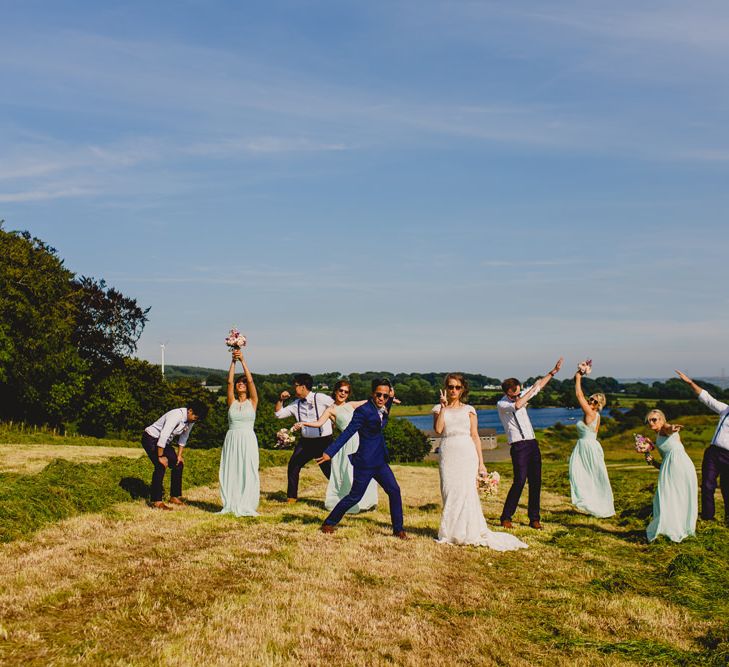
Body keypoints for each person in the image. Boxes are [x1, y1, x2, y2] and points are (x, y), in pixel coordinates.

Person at [433, 374, 528, 550]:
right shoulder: (439, 409)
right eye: (450, 387)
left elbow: (475, 436)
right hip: (448, 451)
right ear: (446, 388)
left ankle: (468, 531)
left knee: (467, 492)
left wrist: (481, 463)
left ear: (462, 389)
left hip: (467, 452)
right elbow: (438, 430)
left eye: (457, 387)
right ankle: (450, 532)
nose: (453, 390)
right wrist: (444, 408)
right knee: (449, 491)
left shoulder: (469, 409)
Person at [316, 378, 406, 539]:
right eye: (379, 395)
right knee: (354, 496)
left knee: (394, 490)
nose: (381, 398)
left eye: (385, 396)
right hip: (364, 462)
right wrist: (330, 452)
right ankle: (329, 523)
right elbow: (348, 432)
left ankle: (398, 530)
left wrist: (391, 399)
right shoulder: (363, 411)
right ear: (372, 394)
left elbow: (385, 412)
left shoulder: (383, 406)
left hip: (380, 461)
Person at [498, 357, 563, 530]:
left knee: (536, 481)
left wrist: (552, 372)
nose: (518, 395)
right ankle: (506, 517)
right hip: (519, 446)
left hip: (532, 444)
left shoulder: (520, 395)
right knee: (519, 481)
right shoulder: (503, 404)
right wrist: (528, 393)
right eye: (515, 394)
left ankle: (534, 518)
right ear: (507, 393)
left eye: (519, 392)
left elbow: (539, 385)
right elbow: (518, 404)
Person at [294, 379, 378, 513]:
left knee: (363, 470)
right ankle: (348, 502)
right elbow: (318, 423)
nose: (343, 393)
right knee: (347, 472)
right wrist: (303, 423)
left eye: (346, 392)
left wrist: (389, 399)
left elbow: (373, 401)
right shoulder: (331, 409)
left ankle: (366, 501)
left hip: (360, 441)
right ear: (336, 391)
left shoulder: (351, 405)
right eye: (341, 391)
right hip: (346, 442)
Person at [675, 370, 729, 523]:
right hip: (714, 453)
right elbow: (707, 398)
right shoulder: (725, 410)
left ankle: (728, 519)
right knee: (707, 485)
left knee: (727, 489)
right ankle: (707, 517)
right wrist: (690, 383)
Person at [275, 374, 334, 502]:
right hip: (305, 442)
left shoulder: (321, 398)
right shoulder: (296, 404)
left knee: (329, 471)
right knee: (293, 466)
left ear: (302, 387)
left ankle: (342, 495)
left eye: (295, 385)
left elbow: (337, 407)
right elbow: (278, 415)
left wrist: (334, 421)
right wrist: (280, 400)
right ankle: (291, 498)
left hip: (323, 442)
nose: (293, 388)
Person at [141, 399, 209, 510]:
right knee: (161, 465)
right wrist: (160, 456)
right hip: (150, 438)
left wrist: (179, 455)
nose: (195, 421)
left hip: (164, 442)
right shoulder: (176, 415)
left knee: (178, 464)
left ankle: (174, 496)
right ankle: (156, 501)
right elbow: (163, 435)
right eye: (195, 418)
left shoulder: (190, 420)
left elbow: (184, 437)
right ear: (190, 411)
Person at [643, 409, 698, 542]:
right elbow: (664, 464)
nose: (651, 422)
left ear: (662, 420)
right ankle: (672, 528)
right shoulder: (657, 437)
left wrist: (672, 428)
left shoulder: (664, 429)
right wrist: (652, 460)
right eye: (649, 420)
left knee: (671, 496)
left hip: (679, 465)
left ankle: (675, 529)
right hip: (673, 466)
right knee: (670, 497)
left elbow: (668, 429)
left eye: (654, 419)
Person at [568, 367, 615, 518]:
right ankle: (594, 503)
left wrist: (578, 377)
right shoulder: (596, 415)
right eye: (592, 398)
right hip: (591, 446)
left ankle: (594, 503)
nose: (591, 400)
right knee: (589, 476)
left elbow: (578, 394)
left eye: (595, 401)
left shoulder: (590, 413)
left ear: (599, 405)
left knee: (584, 475)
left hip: (587, 447)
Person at [219, 349, 260, 516]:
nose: (240, 384)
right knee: (231, 470)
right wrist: (233, 362)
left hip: (248, 438)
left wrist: (243, 361)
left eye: (243, 383)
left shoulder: (253, 401)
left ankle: (247, 502)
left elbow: (251, 381)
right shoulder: (231, 401)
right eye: (239, 383)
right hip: (232, 438)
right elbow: (228, 383)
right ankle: (231, 501)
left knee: (248, 469)